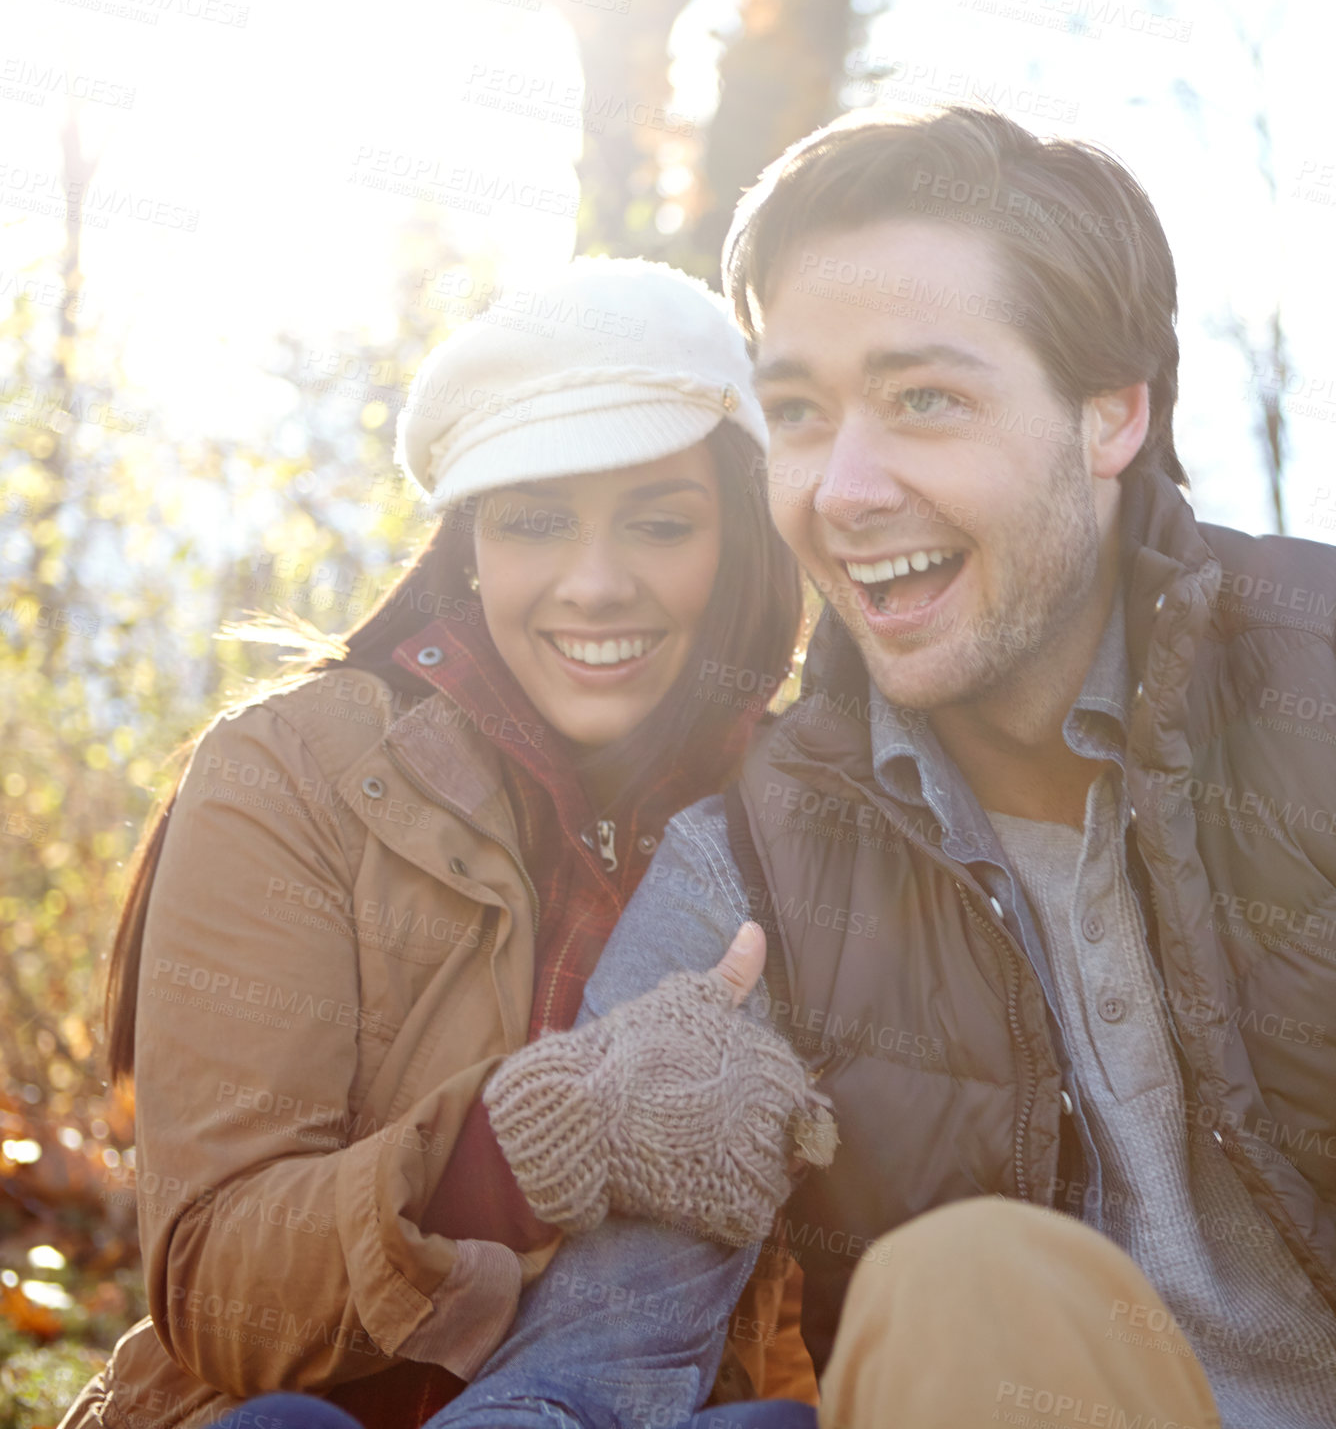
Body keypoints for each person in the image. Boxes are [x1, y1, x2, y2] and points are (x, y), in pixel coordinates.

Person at [423, 107, 1336, 1429]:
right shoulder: (751, 873)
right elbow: (590, 1378)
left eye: (924, 400)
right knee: (967, 1289)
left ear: (1111, 413)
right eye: (798, 412)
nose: (844, 490)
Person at [56, 257, 810, 1429]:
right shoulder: (292, 773)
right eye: (535, 521)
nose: (596, 583)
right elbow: (220, 1286)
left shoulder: (806, 816)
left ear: (737, 542)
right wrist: (541, 1136)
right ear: (470, 546)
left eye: (660, 523)